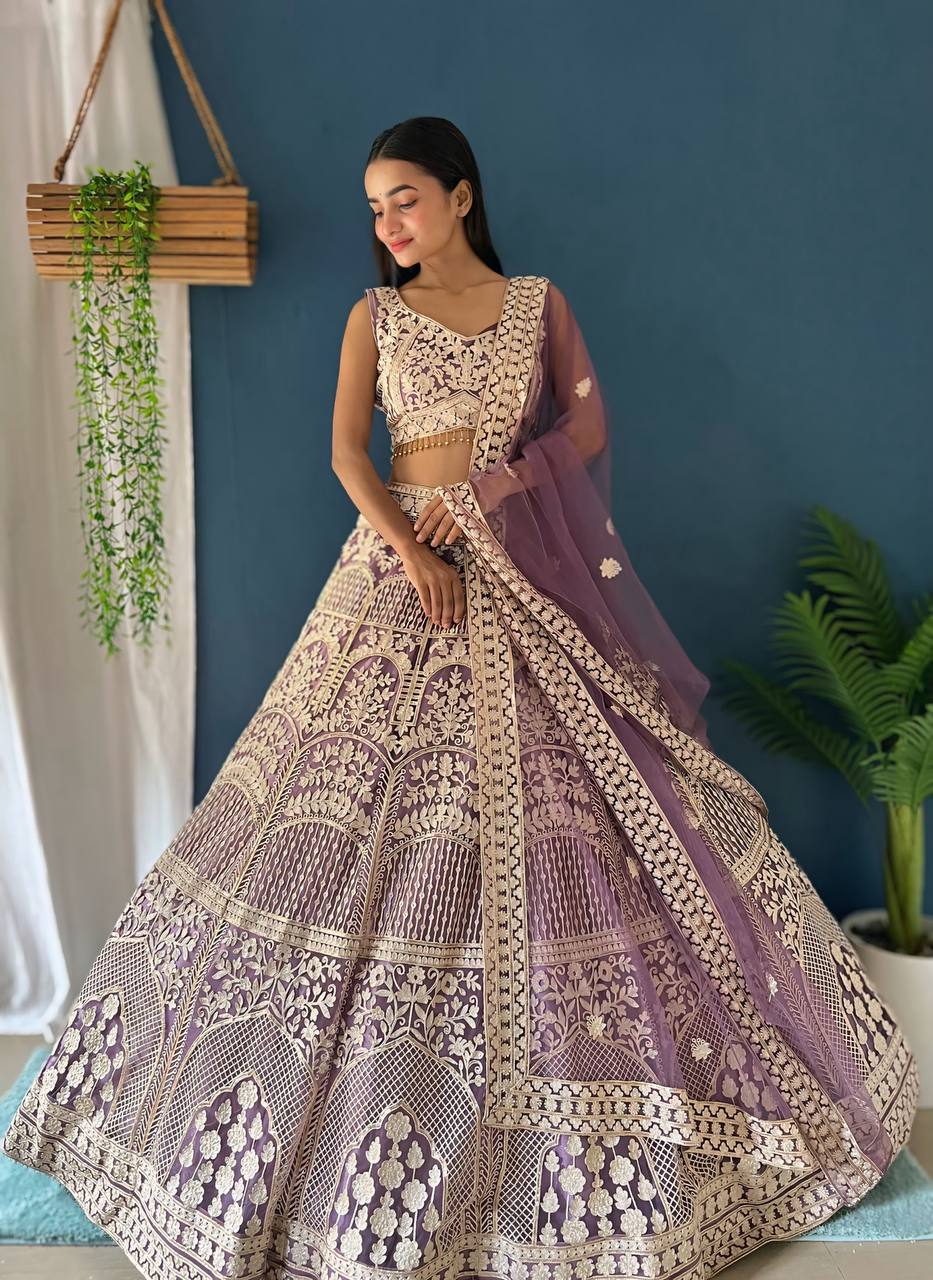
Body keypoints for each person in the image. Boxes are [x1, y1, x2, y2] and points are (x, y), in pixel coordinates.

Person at [3, 116, 918, 1280]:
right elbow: (348, 454)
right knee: (327, 821)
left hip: (520, 582)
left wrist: (493, 487)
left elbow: (586, 427)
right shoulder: (373, 318)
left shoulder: (538, 306)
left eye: (405, 198)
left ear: (461, 194)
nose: (388, 223)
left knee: (582, 827)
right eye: (374, 207)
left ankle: (573, 1132)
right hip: (395, 583)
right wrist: (416, 550)